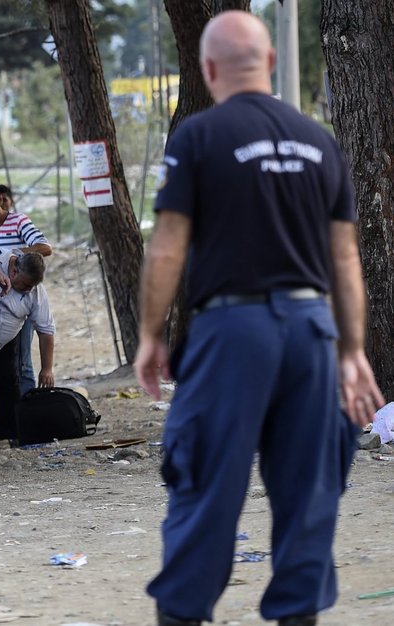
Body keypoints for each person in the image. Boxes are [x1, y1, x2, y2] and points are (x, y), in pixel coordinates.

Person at [133, 12, 382, 626]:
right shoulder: (318, 140)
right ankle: (298, 615)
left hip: (233, 331)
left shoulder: (197, 137)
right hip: (311, 333)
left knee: (207, 483)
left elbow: (167, 247)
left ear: (208, 69)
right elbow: (345, 258)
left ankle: (184, 613)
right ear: (271, 65)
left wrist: (149, 334)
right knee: (309, 490)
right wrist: (351, 350)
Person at [0, 184, 52, 398]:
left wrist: (14, 255)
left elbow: (45, 247)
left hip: (21, 300)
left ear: (0, 200)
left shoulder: (18, 221)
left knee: (23, 363)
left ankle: (28, 413)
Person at [0, 252, 56, 443]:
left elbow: (46, 330)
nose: (28, 289)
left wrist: (47, 368)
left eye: (32, 286)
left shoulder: (36, 292)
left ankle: (10, 434)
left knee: (9, 385)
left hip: (4, 342)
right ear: (14, 271)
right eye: (26, 284)